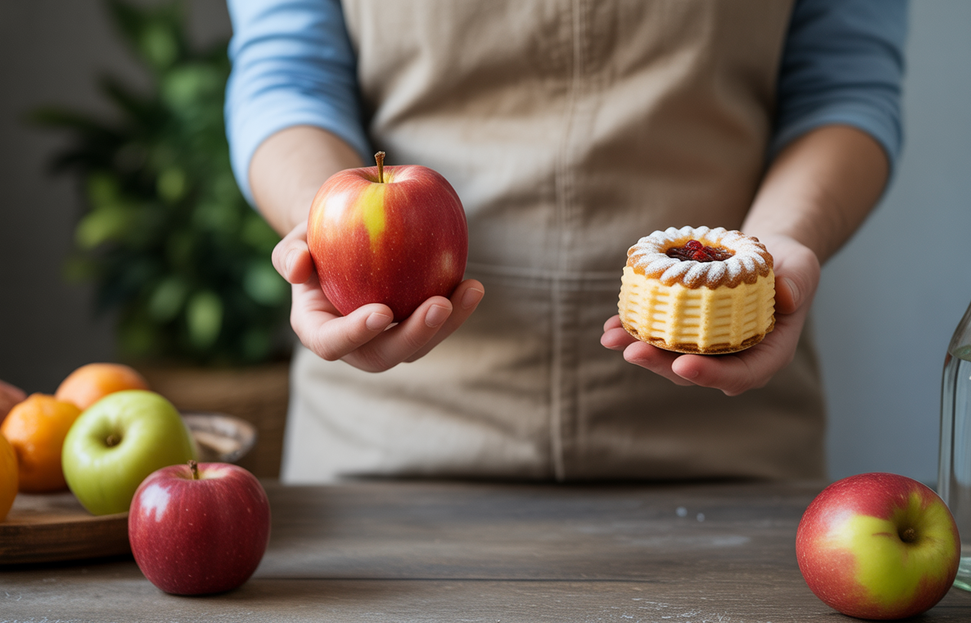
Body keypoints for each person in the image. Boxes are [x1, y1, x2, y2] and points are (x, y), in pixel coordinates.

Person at [225, 0, 907, 483]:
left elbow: (842, 87)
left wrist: (784, 240)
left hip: (727, 445)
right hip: (388, 442)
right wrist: (328, 239)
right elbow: (287, 75)